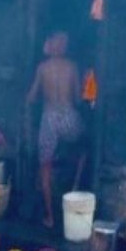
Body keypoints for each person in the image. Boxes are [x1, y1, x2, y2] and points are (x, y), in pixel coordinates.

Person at [26, 31, 86, 229]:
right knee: (85, 146)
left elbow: (32, 97)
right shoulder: (72, 67)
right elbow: (78, 99)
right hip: (69, 118)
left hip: (49, 120)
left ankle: (50, 217)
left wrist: (35, 97)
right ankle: (75, 188)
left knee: (45, 168)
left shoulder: (42, 68)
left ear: (50, 46)